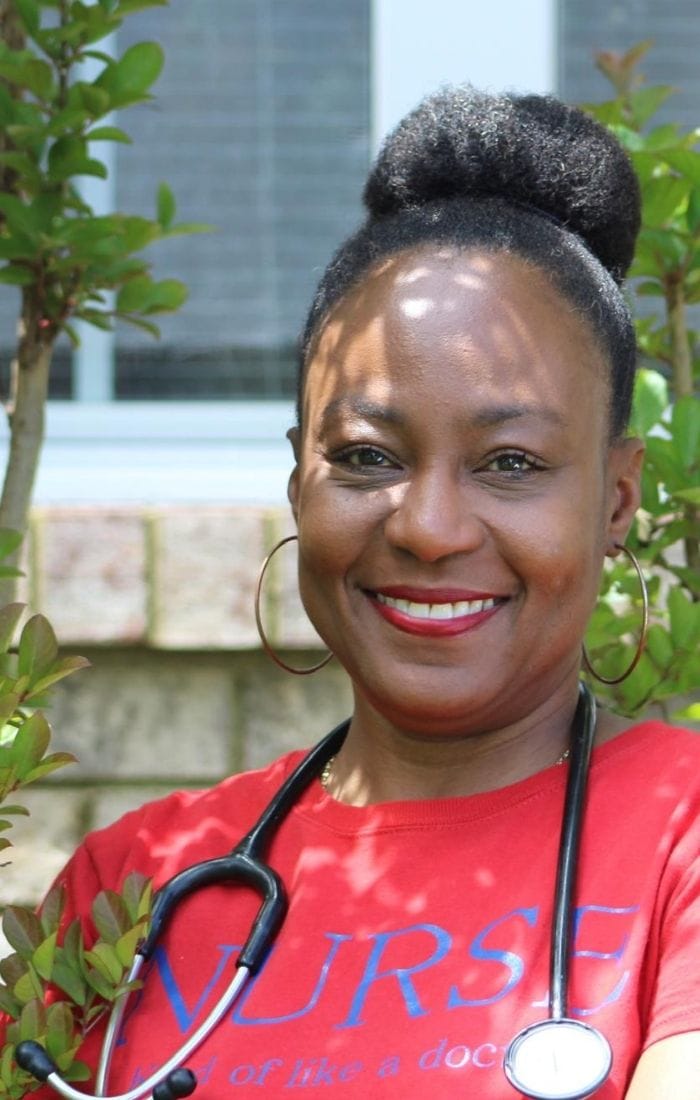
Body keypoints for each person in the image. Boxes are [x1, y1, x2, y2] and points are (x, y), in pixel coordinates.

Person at [18, 87, 700, 1099]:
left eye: (510, 462)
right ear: (300, 476)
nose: (428, 526)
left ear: (616, 499)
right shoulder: (135, 882)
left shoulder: (681, 832)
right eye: (369, 456)